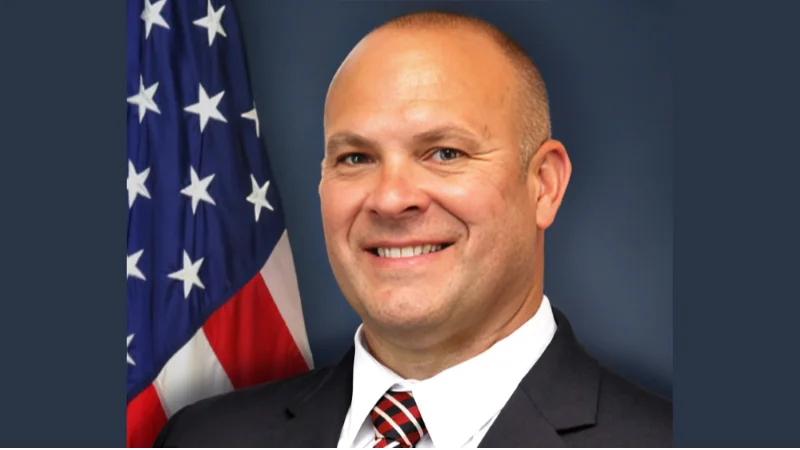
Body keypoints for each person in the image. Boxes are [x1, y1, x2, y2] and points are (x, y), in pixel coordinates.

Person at [153, 10, 672, 448]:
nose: (391, 198)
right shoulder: (203, 439)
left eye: (445, 153)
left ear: (543, 185)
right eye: (356, 158)